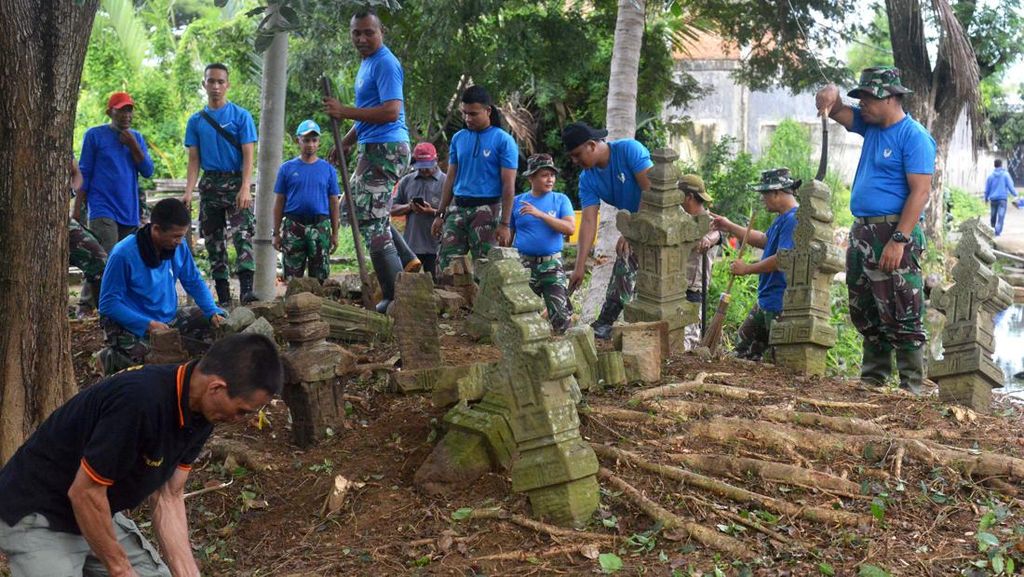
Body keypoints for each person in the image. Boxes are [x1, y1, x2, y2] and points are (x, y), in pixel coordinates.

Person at [0, 333, 281, 577]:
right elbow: (84, 494)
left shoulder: (203, 413)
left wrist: (187, 572)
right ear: (216, 387)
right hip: (39, 512)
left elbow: (168, 496)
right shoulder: (139, 401)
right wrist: (120, 568)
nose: (241, 419)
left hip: (96, 511)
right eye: (243, 410)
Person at [816, 66, 935, 394]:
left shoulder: (914, 136)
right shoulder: (871, 127)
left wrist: (900, 239)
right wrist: (829, 93)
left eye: (869, 97)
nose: (863, 104)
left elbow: (920, 192)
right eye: (861, 97)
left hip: (894, 233)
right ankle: (873, 379)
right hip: (863, 233)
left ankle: (912, 387)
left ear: (892, 98)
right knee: (866, 308)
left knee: (902, 308)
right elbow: (837, 108)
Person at [323, 8, 411, 313]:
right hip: (373, 146)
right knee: (363, 211)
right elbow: (369, 112)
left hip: (387, 149)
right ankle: (408, 260)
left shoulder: (385, 63)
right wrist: (347, 140)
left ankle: (397, 297)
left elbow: (390, 111)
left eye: (368, 32)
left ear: (381, 31)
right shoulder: (367, 63)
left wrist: (343, 111)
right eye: (356, 33)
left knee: (370, 219)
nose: (361, 38)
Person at [98, 198, 226, 375]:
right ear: (156, 229)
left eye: (182, 235)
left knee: (214, 325)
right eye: (176, 236)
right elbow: (108, 304)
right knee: (152, 365)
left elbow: (193, 280)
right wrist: (148, 324)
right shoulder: (123, 254)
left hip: (166, 317)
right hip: (130, 323)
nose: (180, 241)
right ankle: (112, 357)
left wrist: (212, 311)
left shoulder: (178, 247)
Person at [562, 122, 653, 340]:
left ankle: (606, 320)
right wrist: (580, 266)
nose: (574, 162)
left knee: (627, 251)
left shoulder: (630, 150)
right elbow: (588, 222)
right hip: (636, 226)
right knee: (626, 254)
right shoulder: (587, 179)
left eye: (577, 155)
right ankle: (606, 322)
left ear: (592, 145)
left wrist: (632, 230)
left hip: (659, 216)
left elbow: (651, 191)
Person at [182, 62, 258, 306]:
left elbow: (249, 155)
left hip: (236, 182)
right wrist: (188, 191)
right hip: (211, 184)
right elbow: (194, 160)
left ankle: (247, 290)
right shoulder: (196, 121)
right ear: (204, 84)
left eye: (220, 81)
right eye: (211, 81)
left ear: (228, 85)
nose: (215, 86)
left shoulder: (240, 116)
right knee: (214, 240)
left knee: (242, 234)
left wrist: (246, 186)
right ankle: (223, 295)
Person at [711, 168, 800, 361]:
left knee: (777, 359)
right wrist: (730, 226)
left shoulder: (794, 219)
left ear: (777, 193)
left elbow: (782, 259)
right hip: (766, 301)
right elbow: (763, 239)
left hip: (779, 303)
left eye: (764, 194)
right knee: (742, 351)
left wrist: (747, 269)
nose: (762, 199)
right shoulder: (782, 219)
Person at [431, 86, 518, 273]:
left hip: (487, 210)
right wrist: (440, 214)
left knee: (486, 269)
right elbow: (451, 177)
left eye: (473, 114)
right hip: (458, 208)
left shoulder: (503, 140)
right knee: (446, 266)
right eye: (464, 113)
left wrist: (505, 223)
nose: (468, 119)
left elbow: (508, 185)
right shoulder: (458, 138)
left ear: (488, 111)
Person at [76, 91, 155, 253]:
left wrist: (133, 145)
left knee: (125, 260)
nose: (126, 115)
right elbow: (85, 172)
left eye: (129, 110)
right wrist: (77, 209)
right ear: (110, 113)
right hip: (102, 207)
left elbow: (147, 171)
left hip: (129, 210)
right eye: (120, 110)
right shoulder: (95, 136)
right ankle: (98, 279)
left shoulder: (136, 138)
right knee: (107, 258)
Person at [511, 154, 576, 334]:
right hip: (523, 264)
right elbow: (508, 236)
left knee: (561, 318)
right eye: (544, 175)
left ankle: (564, 351)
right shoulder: (517, 202)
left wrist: (540, 214)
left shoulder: (560, 199)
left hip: (552, 264)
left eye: (552, 175)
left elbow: (570, 228)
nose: (550, 179)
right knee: (520, 314)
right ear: (531, 177)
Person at [272, 120, 341, 282]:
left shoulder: (328, 170)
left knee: (320, 279)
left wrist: (335, 233)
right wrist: (276, 233)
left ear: (318, 142)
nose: (310, 144)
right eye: (306, 140)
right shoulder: (287, 169)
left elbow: (334, 202)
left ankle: (318, 307)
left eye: (314, 140)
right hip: (294, 226)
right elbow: (279, 202)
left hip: (320, 226)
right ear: (299, 141)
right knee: (292, 278)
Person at [678, 174, 721, 351]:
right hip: (675, 286)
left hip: (693, 288)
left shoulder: (709, 221)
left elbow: (717, 235)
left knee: (689, 339)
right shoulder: (679, 217)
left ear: (688, 197)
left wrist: (708, 240)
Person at [392, 142, 445, 277]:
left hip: (437, 245)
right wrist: (409, 206)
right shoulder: (407, 181)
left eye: (427, 166)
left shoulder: (446, 182)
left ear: (436, 159)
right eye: (421, 167)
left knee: (437, 285)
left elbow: (454, 212)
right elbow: (391, 208)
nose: (424, 170)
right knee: (408, 284)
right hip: (412, 244)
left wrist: (433, 212)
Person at [69, 160, 108, 318]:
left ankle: (106, 315)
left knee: (99, 258)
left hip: (55, 219)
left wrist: (71, 189)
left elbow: (76, 170)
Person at [985, 159, 1017, 236]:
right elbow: (1011, 186)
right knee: (1001, 216)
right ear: (1001, 165)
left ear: (994, 165)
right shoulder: (1006, 175)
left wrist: (986, 198)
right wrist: (1015, 194)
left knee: (993, 215)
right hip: (1002, 200)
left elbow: (987, 189)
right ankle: (997, 231)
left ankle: (992, 229)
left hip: (993, 200)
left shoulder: (990, 176)